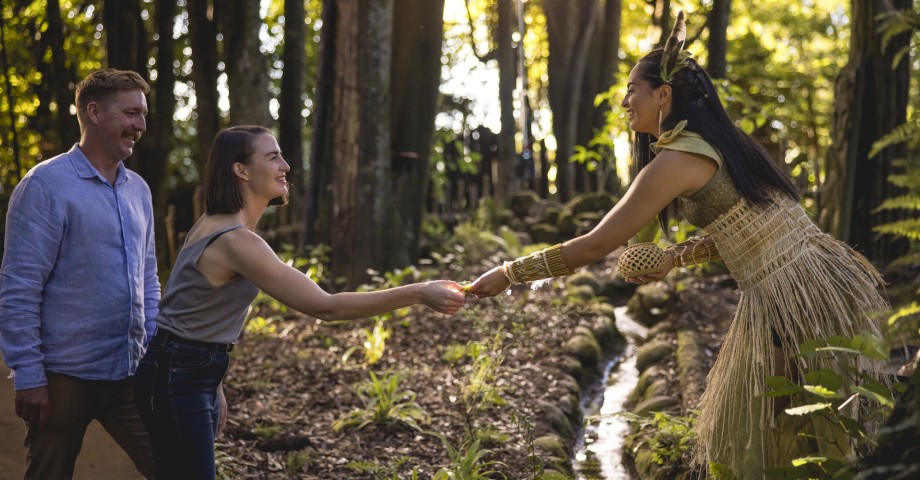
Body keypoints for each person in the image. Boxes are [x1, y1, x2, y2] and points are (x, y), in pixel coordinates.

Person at [468, 12, 890, 478]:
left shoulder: (677, 159)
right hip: (808, 281)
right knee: (794, 428)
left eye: (633, 89)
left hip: (794, 294)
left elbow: (593, 247)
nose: (625, 99)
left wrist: (509, 273)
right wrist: (675, 257)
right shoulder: (714, 144)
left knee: (783, 435)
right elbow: (747, 228)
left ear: (662, 94)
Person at [133, 125, 466, 480]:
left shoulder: (219, 224)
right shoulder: (235, 240)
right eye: (273, 157)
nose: (286, 166)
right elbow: (326, 307)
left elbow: (191, 312)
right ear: (241, 169)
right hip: (177, 374)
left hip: (186, 368)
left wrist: (213, 380)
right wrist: (417, 292)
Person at [0, 69, 158, 479]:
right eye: (131, 113)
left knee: (174, 463)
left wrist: (157, 357)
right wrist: (29, 376)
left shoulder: (138, 189)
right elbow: (20, 287)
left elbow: (148, 280)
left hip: (130, 372)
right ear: (94, 112)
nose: (141, 125)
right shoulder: (46, 186)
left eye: (143, 115)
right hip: (63, 378)